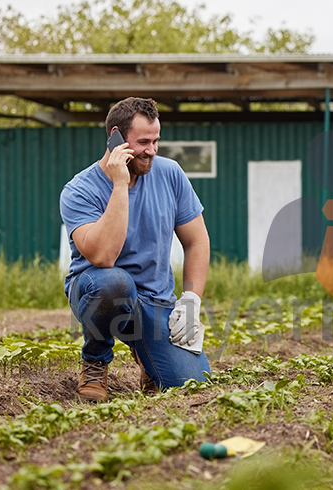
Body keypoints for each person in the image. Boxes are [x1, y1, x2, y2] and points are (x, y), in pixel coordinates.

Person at [60, 97, 210, 402]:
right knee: (116, 283)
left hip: (154, 300)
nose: (152, 150)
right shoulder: (79, 190)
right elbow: (103, 257)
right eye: (144, 142)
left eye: (156, 141)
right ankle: (95, 360)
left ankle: (147, 359)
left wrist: (192, 299)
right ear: (116, 136)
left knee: (192, 384)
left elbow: (197, 241)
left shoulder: (170, 174)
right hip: (99, 291)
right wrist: (119, 185)